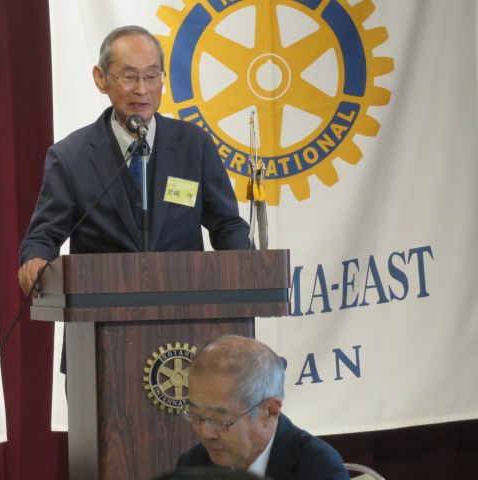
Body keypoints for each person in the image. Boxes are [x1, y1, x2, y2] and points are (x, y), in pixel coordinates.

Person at [18, 25, 249, 297]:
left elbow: (227, 225)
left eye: (151, 76)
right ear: (101, 79)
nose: (142, 89)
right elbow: (43, 235)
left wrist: (250, 267)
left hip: (184, 305)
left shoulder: (194, 145)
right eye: (129, 77)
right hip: (100, 307)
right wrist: (35, 259)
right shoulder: (70, 156)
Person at [177, 335, 349, 480]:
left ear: (270, 411)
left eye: (219, 418)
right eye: (195, 413)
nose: (206, 433)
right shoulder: (192, 466)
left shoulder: (318, 468)